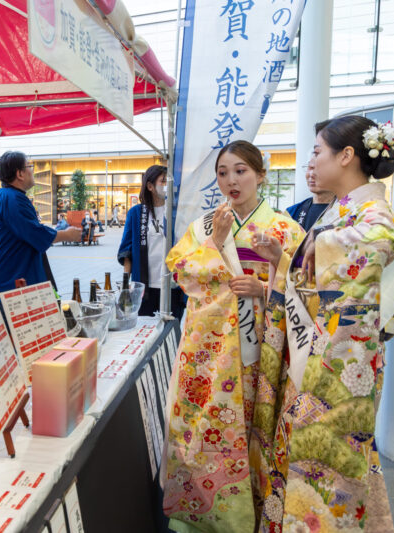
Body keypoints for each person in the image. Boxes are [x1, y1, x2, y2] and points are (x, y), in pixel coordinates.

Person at [253, 116, 394, 532]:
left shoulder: (375, 213)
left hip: (340, 364)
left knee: (328, 461)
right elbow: (314, 277)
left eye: (318, 151)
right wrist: (282, 262)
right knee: (308, 453)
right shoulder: (341, 210)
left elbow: (376, 245)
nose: (312, 162)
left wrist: (310, 251)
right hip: (317, 355)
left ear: (347, 155)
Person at [161, 141, 305, 532]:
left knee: (257, 424)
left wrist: (265, 289)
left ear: (261, 175)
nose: (231, 180)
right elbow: (181, 272)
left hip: (260, 345)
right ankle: (204, 513)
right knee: (207, 424)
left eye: (241, 171)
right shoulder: (204, 226)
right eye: (223, 173)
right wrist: (213, 243)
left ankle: (256, 513)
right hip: (211, 352)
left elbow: (306, 285)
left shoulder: (285, 228)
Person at [0, 151, 81, 299]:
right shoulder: (14, 199)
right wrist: (67, 235)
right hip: (13, 283)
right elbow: (34, 232)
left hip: (4, 279)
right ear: (20, 174)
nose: (32, 170)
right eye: (29, 166)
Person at [117, 165, 185, 318]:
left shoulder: (177, 212)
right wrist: (125, 283)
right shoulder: (136, 213)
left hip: (172, 285)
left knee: (170, 333)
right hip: (144, 287)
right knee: (144, 331)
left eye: (169, 181)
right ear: (150, 186)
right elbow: (127, 251)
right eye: (163, 181)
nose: (167, 185)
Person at [286, 156, 336, 232]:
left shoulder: (348, 211)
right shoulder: (291, 212)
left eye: (319, 168)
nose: (311, 174)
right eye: (310, 167)